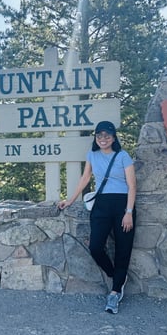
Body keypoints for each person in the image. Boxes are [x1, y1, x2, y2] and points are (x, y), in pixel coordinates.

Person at [58, 121, 136, 314]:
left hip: (122, 205)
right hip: (101, 205)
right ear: (96, 137)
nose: (103, 139)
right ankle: (116, 275)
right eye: (99, 135)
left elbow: (132, 186)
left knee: (123, 249)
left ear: (114, 137)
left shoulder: (123, 156)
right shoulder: (92, 155)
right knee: (95, 247)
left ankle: (115, 291)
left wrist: (128, 212)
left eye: (107, 135)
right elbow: (85, 178)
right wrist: (69, 200)